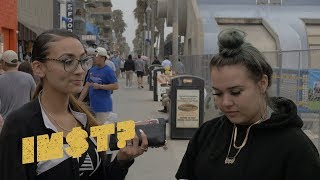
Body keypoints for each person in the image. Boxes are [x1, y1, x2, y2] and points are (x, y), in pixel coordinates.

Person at [0, 29, 148, 180]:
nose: (80, 70)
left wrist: (122, 161)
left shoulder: (84, 119)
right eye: (67, 61)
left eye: (83, 61)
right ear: (39, 68)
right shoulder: (20, 125)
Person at [176, 28, 320, 180]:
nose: (225, 103)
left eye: (236, 92)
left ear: (262, 83)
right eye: (217, 93)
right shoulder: (206, 133)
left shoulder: (296, 148)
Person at [79, 47, 118, 125]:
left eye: (96, 56)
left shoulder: (108, 71)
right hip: (92, 107)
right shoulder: (92, 70)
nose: (94, 58)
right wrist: (79, 101)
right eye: (93, 56)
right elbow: (86, 87)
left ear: (103, 58)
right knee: (94, 131)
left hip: (103, 107)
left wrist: (100, 86)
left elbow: (115, 86)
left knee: (103, 132)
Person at [0, 50, 36, 120]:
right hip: (25, 120)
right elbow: (34, 99)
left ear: (4, 63)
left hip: (6, 123)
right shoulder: (28, 77)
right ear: (17, 63)